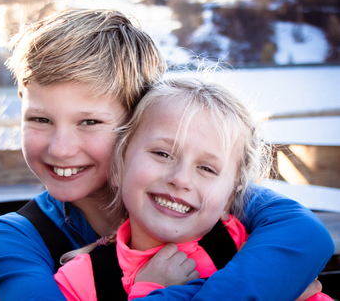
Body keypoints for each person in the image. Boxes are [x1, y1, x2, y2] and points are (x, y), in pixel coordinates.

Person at [0, 8, 334, 300]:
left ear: (137, 122)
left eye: (89, 122)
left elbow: (305, 234)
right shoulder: (18, 237)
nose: (60, 148)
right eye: (40, 119)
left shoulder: (200, 192)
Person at [53, 76, 333, 301]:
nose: (181, 179)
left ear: (230, 199)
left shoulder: (252, 250)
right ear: (118, 168)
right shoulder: (81, 281)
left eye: (207, 169)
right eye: (162, 153)